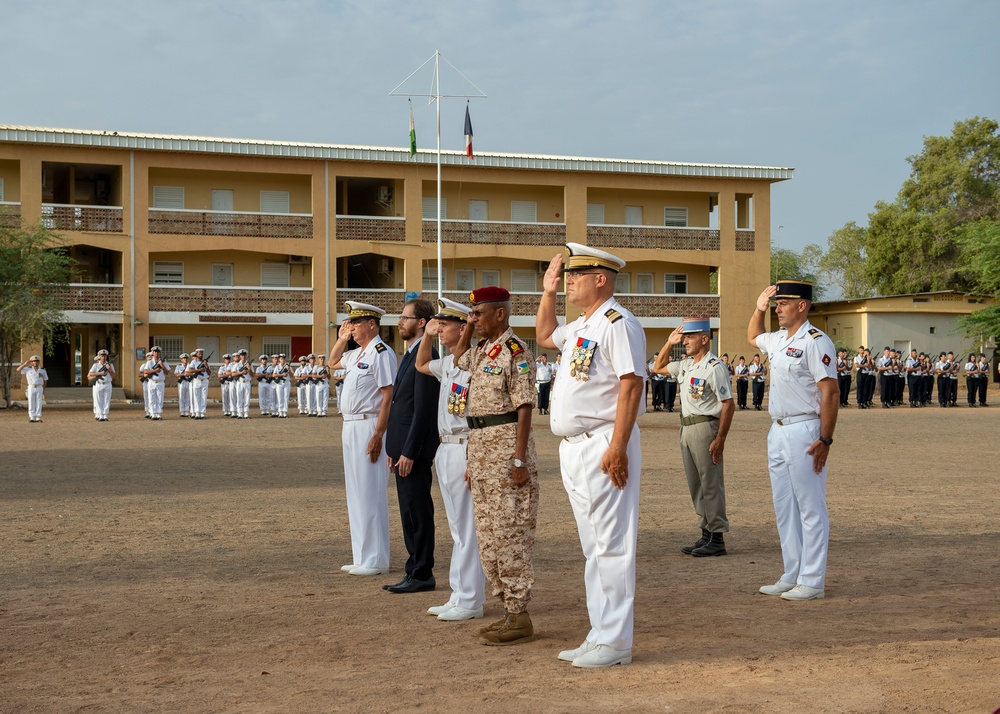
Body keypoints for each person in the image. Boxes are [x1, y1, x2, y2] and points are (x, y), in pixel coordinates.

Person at [537, 243, 645, 668]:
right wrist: (546, 293)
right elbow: (545, 337)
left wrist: (618, 446)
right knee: (593, 547)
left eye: (575, 276)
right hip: (575, 448)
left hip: (603, 443)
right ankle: (600, 632)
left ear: (601, 278)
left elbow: (631, 385)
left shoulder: (617, 323)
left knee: (613, 544)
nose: (568, 282)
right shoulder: (585, 324)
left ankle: (616, 641)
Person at [452, 286, 538, 647]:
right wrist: (469, 327)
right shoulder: (485, 349)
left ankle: (520, 614)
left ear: (500, 314)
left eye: (480, 314)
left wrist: (519, 459)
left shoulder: (516, 352)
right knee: (488, 536)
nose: (475, 319)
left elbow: (524, 409)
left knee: (510, 533)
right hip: (482, 451)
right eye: (472, 314)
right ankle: (507, 611)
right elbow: (458, 359)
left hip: (506, 452)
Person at [748, 280, 838, 601]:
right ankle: (793, 572)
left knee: (810, 506)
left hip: (805, 429)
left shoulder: (816, 341)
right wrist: (759, 306)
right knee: (784, 506)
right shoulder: (777, 340)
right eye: (776, 303)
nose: (778, 308)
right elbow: (752, 335)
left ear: (802, 306)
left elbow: (830, 392)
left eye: (783, 303)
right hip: (778, 429)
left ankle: (812, 581)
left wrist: (825, 438)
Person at [415, 297, 487, 620]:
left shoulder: (473, 364)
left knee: (468, 528)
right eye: (438, 323)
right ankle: (458, 593)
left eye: (445, 325)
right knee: (457, 529)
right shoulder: (446, 364)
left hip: (465, 446)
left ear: (463, 328)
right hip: (445, 447)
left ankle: (471, 599)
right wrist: (427, 336)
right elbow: (419, 365)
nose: (440, 328)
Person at [655, 316, 735, 559]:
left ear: (704, 339)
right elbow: (657, 367)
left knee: (710, 483)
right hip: (686, 428)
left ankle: (717, 537)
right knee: (695, 484)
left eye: (689, 337)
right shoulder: (687, 365)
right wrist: (669, 343)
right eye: (684, 337)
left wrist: (720, 438)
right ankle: (706, 532)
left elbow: (728, 405)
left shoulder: (714, 367)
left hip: (705, 428)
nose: (685, 341)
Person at [330, 301, 396, 577]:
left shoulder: (381, 353)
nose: (351, 328)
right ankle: (362, 556)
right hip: (350, 426)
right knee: (355, 493)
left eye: (355, 323)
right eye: (349, 323)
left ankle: (376, 559)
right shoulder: (357, 353)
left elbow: (388, 396)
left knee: (370, 492)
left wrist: (378, 434)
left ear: (372, 324)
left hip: (370, 425)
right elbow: (332, 363)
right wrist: (341, 340)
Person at [382, 298, 440, 594]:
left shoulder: (426, 356)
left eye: (404, 317)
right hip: (401, 448)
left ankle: (422, 573)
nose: (399, 322)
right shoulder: (410, 353)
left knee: (417, 511)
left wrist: (410, 451)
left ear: (421, 322)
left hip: (413, 451)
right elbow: (400, 405)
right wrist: (394, 449)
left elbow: (424, 410)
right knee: (408, 512)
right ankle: (413, 568)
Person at [140, 346, 169, 420]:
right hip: (152, 382)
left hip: (160, 382)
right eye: (155, 352)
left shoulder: (163, 362)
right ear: (153, 353)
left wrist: (162, 366)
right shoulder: (149, 362)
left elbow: (167, 372)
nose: (157, 353)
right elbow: (146, 371)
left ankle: (158, 413)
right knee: (152, 398)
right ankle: (153, 413)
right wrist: (155, 371)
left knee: (160, 398)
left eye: (158, 352)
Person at [17, 355, 48, 423]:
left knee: (39, 402)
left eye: (37, 361)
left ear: (39, 362)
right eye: (34, 361)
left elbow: (45, 380)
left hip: (39, 387)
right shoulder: (28, 369)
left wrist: (43, 389)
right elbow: (18, 370)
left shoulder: (42, 370)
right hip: (31, 387)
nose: (35, 362)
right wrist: (25, 364)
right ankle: (32, 417)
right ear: (32, 362)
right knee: (31, 402)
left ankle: (38, 417)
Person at [88, 349, 115, 421]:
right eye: (102, 356)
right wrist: (100, 374)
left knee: (106, 400)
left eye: (105, 356)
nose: (104, 357)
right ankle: (100, 414)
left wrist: (110, 369)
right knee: (99, 400)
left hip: (107, 383)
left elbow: (114, 376)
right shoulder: (95, 365)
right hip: (99, 384)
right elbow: (90, 374)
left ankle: (105, 415)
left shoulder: (110, 365)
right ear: (99, 356)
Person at [186, 347, 210, 419]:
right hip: (197, 381)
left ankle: (202, 413)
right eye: (199, 353)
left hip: (204, 381)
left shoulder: (205, 362)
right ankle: (197, 413)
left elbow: (209, 373)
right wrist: (199, 370)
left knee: (204, 397)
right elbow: (190, 370)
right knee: (196, 397)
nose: (200, 354)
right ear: (196, 354)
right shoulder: (194, 362)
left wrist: (206, 367)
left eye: (201, 353)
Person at [175, 353, 192, 417]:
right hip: (182, 382)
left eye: (186, 358)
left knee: (188, 396)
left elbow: (192, 373)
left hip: (188, 381)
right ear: (181, 360)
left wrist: (187, 374)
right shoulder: (179, 366)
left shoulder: (190, 366)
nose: (185, 359)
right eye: (184, 358)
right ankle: (182, 411)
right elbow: (176, 374)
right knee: (181, 397)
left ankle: (187, 411)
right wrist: (183, 374)